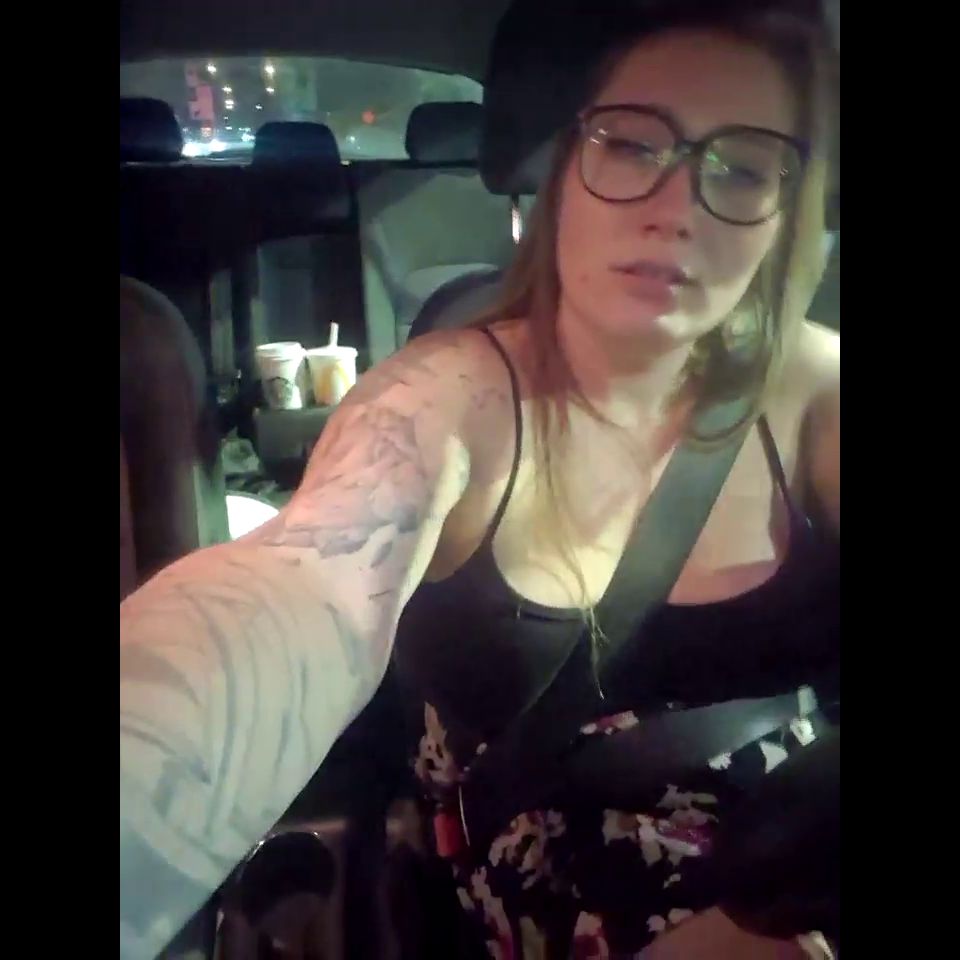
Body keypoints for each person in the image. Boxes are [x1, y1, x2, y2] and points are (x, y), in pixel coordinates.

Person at [119, 1, 840, 957]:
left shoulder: (817, 392)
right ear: (559, 172)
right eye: (632, 145)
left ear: (788, 212)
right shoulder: (444, 397)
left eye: (742, 168)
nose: (678, 208)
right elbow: (292, 589)